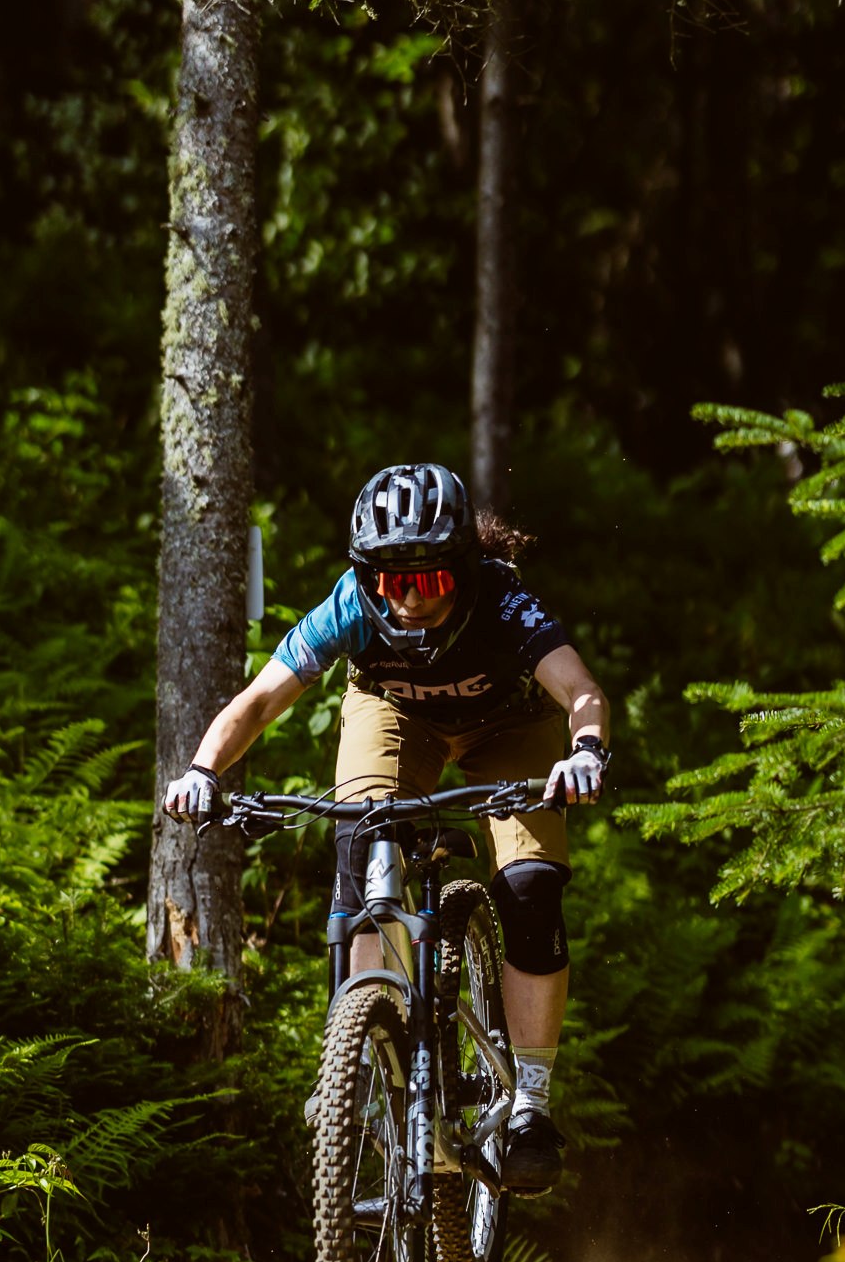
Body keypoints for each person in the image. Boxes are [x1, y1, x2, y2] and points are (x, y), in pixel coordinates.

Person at [161, 459, 609, 1190]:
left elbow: (579, 689)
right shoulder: (352, 605)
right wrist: (205, 772)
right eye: (391, 582)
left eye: (426, 580)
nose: (406, 601)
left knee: (529, 886)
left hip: (507, 729)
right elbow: (259, 701)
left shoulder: (502, 601)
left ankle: (528, 1100)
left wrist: (586, 750)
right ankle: (362, 1049)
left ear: (462, 570)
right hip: (399, 721)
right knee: (363, 842)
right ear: (370, 578)